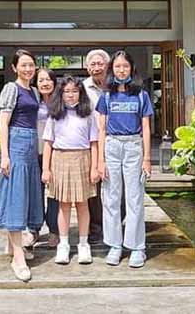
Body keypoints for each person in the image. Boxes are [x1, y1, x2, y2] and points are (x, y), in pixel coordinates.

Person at [95, 50, 153, 268]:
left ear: (131, 69)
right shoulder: (106, 96)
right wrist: (100, 161)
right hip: (112, 146)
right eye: (117, 67)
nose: (121, 70)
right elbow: (101, 130)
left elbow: (146, 127)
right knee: (111, 197)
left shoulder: (141, 95)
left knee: (135, 197)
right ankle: (115, 245)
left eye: (125, 66)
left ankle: (137, 246)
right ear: (112, 70)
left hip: (133, 147)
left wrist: (147, 158)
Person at [0, 49, 44, 282]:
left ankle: (11, 246)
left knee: (26, 196)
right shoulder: (11, 89)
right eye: (23, 65)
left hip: (31, 146)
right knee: (15, 196)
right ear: (14, 68)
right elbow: (3, 124)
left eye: (31, 65)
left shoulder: (33, 91)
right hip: (15, 144)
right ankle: (18, 257)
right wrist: (4, 155)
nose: (28, 69)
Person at [41, 75, 100, 265]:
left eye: (75, 91)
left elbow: (94, 143)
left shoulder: (88, 114)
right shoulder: (55, 114)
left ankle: (83, 244)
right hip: (60, 159)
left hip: (83, 158)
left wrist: (95, 167)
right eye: (67, 91)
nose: (71, 95)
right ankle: (64, 244)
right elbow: (48, 143)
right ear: (61, 94)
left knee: (82, 204)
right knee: (64, 205)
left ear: (80, 93)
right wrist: (46, 169)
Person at [81, 49, 110, 245]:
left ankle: (115, 224)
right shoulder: (81, 88)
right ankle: (95, 228)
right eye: (93, 64)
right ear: (87, 67)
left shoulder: (116, 86)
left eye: (100, 63)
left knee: (115, 184)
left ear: (107, 66)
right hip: (90, 142)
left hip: (115, 141)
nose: (96, 67)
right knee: (93, 186)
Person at [34, 67, 61, 248]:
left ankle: (54, 230)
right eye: (41, 80)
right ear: (36, 83)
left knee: (54, 193)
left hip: (56, 153)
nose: (45, 83)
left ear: (54, 82)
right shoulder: (31, 101)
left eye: (48, 79)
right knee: (35, 192)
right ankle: (34, 228)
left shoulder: (61, 103)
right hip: (34, 152)